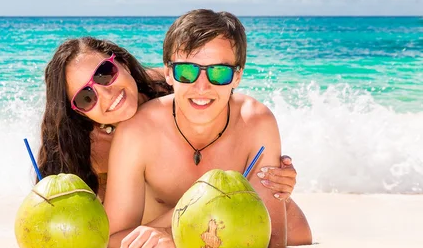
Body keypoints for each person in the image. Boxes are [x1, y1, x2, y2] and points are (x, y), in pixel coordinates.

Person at [102, 10, 312, 248]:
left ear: (237, 76)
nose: (202, 87)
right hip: (225, 229)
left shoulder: (256, 121)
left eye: (219, 72)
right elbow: (112, 242)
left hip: (290, 229)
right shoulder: (138, 131)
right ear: (168, 73)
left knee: (298, 230)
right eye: (187, 72)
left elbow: (274, 245)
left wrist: (180, 238)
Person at [37, 37, 299, 208]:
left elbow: (234, 119)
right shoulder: (85, 153)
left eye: (104, 74)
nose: (106, 94)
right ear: (79, 112)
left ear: (123, 63)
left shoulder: (175, 85)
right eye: (86, 97)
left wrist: (273, 168)